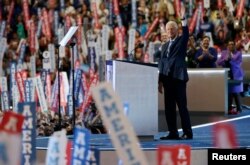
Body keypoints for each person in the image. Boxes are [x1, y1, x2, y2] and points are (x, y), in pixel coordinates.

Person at [158, 5, 193, 140]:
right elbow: (162, 62)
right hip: (167, 79)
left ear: (176, 30)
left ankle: (187, 132)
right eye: (168, 29)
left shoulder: (181, 41)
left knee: (182, 107)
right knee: (169, 108)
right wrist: (160, 81)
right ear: (165, 31)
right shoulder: (165, 45)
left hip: (178, 78)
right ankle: (173, 132)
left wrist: (183, 18)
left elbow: (186, 33)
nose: (170, 30)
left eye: (172, 28)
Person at [217, 40, 244, 114]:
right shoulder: (224, 53)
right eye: (229, 44)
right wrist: (225, 59)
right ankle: (229, 108)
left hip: (237, 74)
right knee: (229, 92)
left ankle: (239, 108)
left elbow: (238, 64)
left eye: (232, 44)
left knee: (236, 92)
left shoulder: (238, 53)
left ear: (234, 45)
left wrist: (230, 59)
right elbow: (218, 62)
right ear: (227, 46)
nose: (231, 46)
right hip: (227, 74)